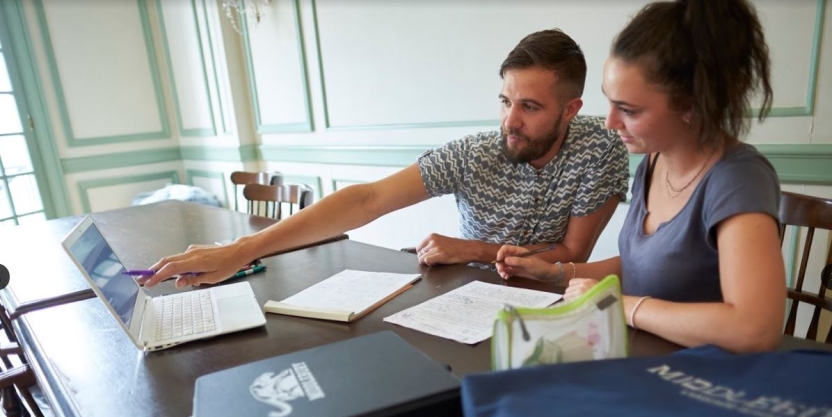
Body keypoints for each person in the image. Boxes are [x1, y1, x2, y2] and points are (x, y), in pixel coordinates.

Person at [143, 29, 629, 287]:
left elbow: (573, 255)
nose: (509, 122)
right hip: (464, 298)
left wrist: (475, 249)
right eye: (505, 101)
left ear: (570, 110)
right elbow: (369, 199)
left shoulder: (599, 148)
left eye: (530, 107)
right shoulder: (475, 153)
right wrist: (239, 250)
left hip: (552, 302)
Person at [496, 0, 785, 353]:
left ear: (691, 106)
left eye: (628, 110)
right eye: (611, 102)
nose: (610, 122)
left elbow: (754, 329)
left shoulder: (739, 179)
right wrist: (554, 272)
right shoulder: (653, 160)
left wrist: (624, 306)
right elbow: (643, 268)